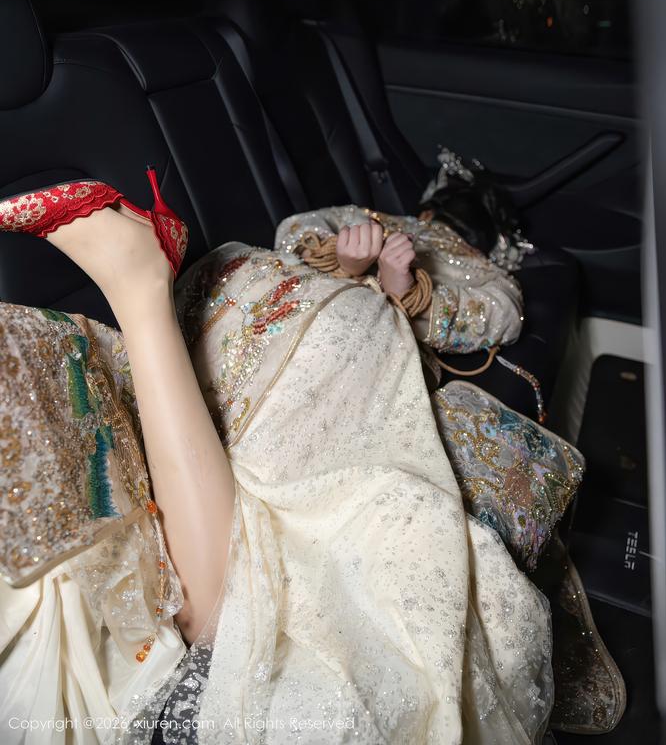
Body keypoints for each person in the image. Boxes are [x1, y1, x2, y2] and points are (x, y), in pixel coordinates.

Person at [0, 176, 553, 744]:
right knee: (227, 598)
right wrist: (348, 260)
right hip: (282, 303)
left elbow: (499, 314)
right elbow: (297, 232)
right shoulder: (377, 218)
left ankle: (144, 277)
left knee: (237, 559)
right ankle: (142, 282)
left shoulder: (464, 259)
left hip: (295, 307)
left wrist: (404, 287)